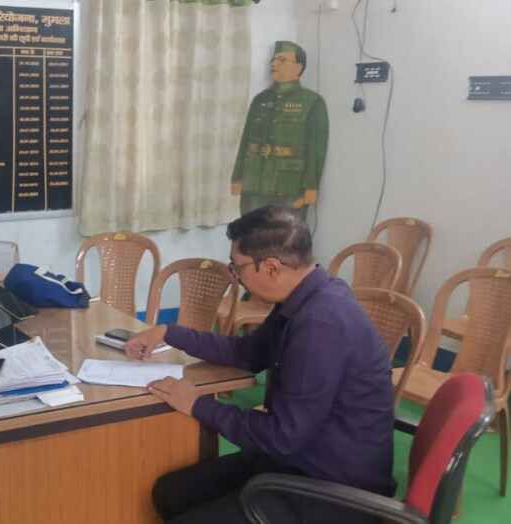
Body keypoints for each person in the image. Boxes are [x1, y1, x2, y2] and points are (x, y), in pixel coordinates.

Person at [125, 206, 394, 523]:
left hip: (333, 487)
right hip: (303, 458)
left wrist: (197, 405)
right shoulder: (307, 297)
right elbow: (249, 353)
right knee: (169, 492)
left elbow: (282, 436)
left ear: (270, 268)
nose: (236, 278)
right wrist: (170, 333)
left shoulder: (320, 324)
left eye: (237, 268)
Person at [231, 41, 329, 216]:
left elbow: (316, 150)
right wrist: (237, 176)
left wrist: (311, 187)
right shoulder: (260, 100)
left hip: (289, 184)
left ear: (299, 67)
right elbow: (246, 140)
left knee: (286, 238)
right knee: (250, 236)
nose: (274, 64)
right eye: (273, 60)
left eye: (282, 60)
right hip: (255, 181)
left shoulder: (312, 102)